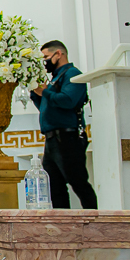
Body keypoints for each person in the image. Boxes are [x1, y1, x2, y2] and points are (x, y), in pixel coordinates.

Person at [30, 40, 97, 209]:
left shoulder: (72, 74)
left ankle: (95, 224)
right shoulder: (55, 79)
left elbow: (67, 101)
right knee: (55, 187)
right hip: (52, 139)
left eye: (46, 57)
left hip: (67, 137)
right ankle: (65, 227)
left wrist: (44, 91)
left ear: (59, 54)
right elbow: (47, 108)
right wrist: (35, 92)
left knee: (78, 182)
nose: (44, 61)